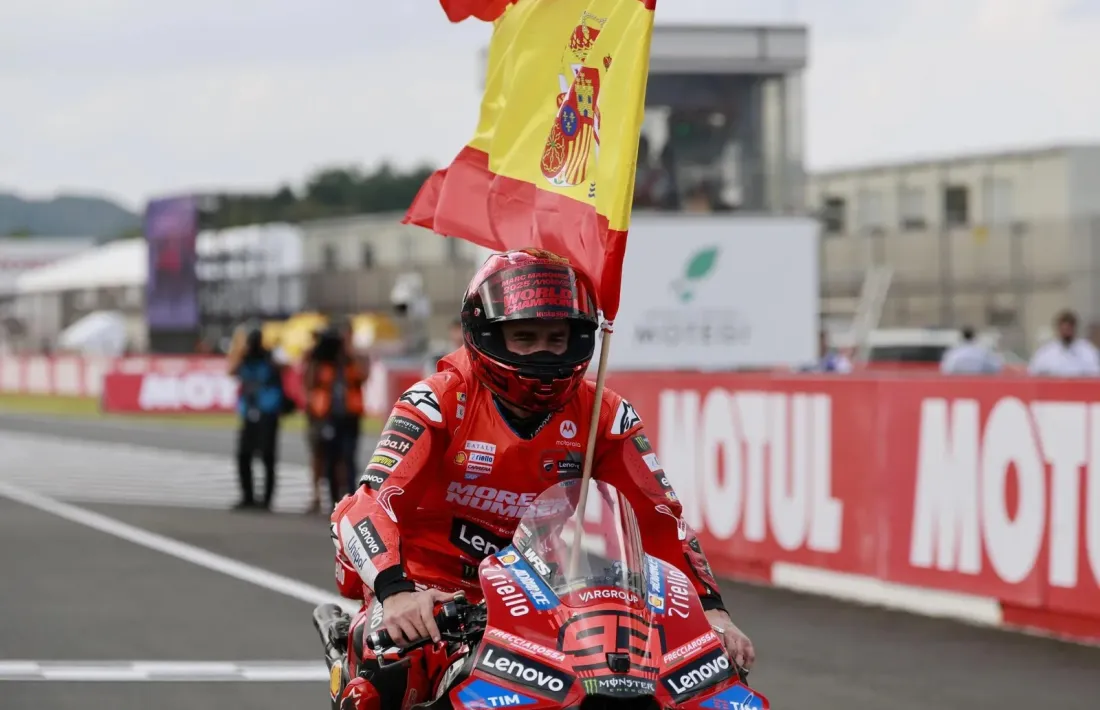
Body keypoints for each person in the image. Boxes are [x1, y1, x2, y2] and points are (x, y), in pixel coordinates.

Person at [323, 249, 755, 710]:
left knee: (691, 675)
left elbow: (661, 520)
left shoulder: (605, 413)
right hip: (429, 594)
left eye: (557, 337)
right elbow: (368, 504)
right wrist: (395, 592)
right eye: (524, 337)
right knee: (384, 674)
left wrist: (712, 611)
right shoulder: (437, 400)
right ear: (487, 335)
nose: (544, 352)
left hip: (541, 597)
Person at [305, 317, 369, 511]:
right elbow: (308, 382)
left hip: (349, 416)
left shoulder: (355, 356)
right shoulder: (321, 358)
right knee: (328, 458)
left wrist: (349, 351)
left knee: (348, 457)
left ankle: (350, 498)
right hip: (325, 414)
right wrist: (316, 353)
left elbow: (363, 376)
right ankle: (331, 499)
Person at [227, 323, 287, 511]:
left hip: (268, 412)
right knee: (244, 455)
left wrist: (268, 355)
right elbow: (230, 370)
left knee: (267, 456)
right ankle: (248, 496)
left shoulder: (269, 358)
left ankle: (266, 500)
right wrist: (242, 353)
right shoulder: (244, 359)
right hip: (249, 411)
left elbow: (284, 368)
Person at [1028, 309, 1100, 376]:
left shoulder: (1087, 351)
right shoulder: (1046, 352)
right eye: (1064, 329)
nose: (1066, 333)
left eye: (1068, 329)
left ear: (1074, 328)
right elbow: (1034, 372)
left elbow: (1095, 373)